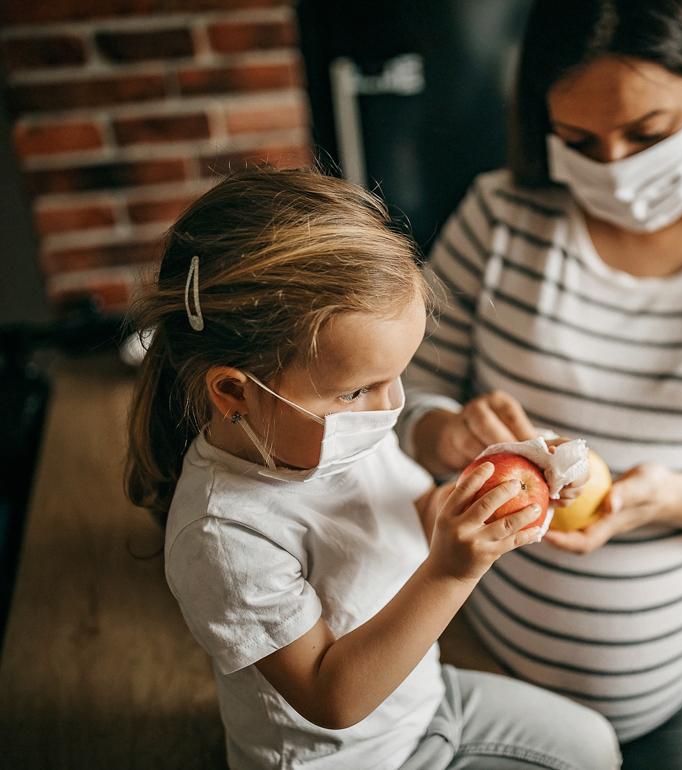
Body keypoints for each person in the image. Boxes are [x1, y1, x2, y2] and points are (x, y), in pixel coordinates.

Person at [399, 1, 682, 768]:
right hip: (493, 657)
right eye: (579, 141)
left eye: (646, 134)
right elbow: (403, 394)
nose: (613, 168)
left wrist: (669, 494)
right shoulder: (498, 217)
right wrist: (448, 432)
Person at [123, 168, 621, 770]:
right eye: (359, 390)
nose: (391, 408)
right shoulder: (223, 534)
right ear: (234, 392)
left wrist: (505, 486)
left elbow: (414, 509)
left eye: (398, 375)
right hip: (350, 756)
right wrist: (451, 571)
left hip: (423, 698)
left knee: (593, 745)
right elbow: (333, 698)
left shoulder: (336, 435)